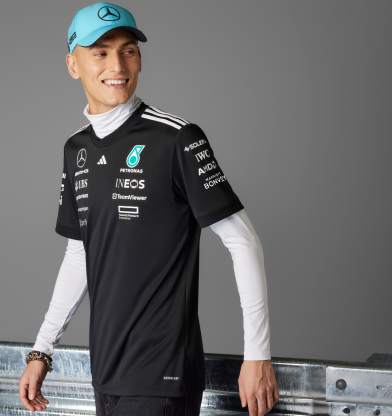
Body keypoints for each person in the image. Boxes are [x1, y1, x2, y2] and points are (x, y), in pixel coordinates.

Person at [18, 2, 279, 415]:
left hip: (163, 376)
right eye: (101, 52)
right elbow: (80, 253)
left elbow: (243, 242)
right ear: (73, 65)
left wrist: (257, 355)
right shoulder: (76, 149)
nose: (117, 65)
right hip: (107, 373)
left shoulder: (177, 139)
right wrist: (41, 351)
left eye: (129, 50)